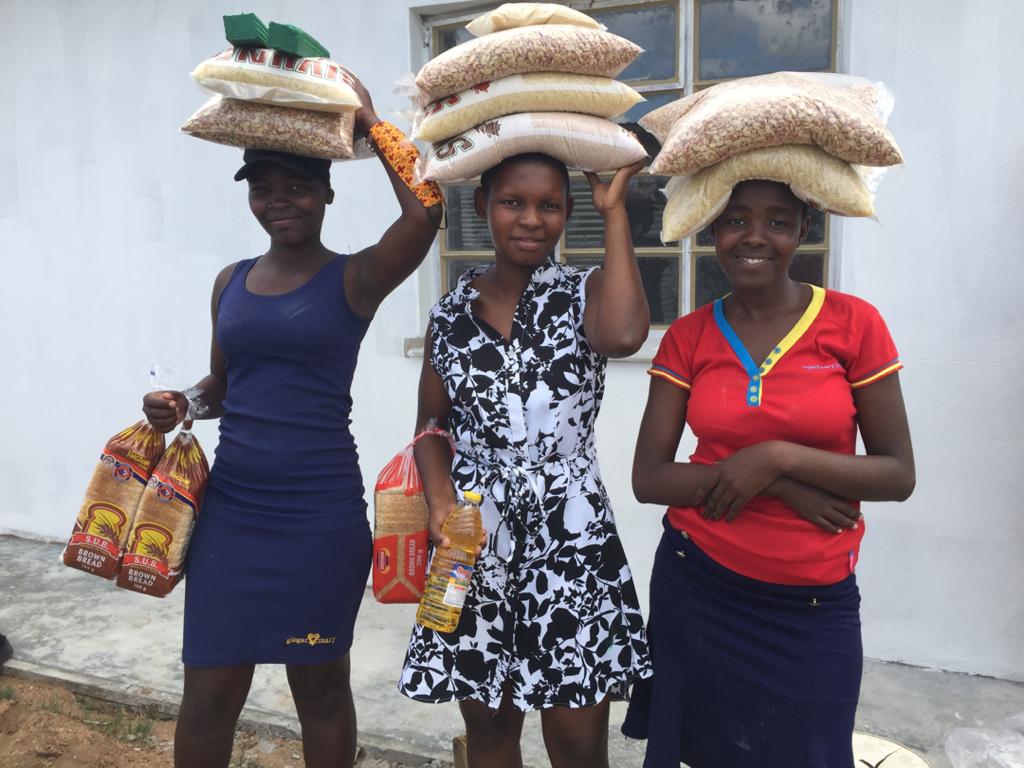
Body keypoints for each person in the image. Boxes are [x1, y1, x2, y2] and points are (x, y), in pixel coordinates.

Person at [142, 74, 443, 768]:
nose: (280, 199)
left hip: (317, 520)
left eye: (298, 184)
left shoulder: (355, 280)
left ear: (328, 191)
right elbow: (221, 385)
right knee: (209, 696)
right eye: (263, 187)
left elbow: (425, 214)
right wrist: (182, 405)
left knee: (322, 694)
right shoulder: (231, 281)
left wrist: (370, 126)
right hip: (232, 518)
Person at [624, 180, 916, 768]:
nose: (754, 237)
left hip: (812, 602)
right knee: (705, 751)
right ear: (712, 232)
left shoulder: (853, 324)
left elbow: (896, 474)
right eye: (735, 221)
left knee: (810, 752)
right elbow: (649, 478)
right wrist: (774, 481)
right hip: (697, 583)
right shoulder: (690, 335)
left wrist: (779, 457)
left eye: (777, 222)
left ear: (802, 232)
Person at [399, 153, 653, 768]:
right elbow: (432, 426)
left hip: (571, 540)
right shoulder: (449, 316)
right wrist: (438, 502)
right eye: (514, 202)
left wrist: (613, 212)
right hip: (474, 538)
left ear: (568, 213)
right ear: (483, 203)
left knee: (576, 740)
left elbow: (624, 338)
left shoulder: (585, 294)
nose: (532, 220)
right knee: (488, 730)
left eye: (550, 206)